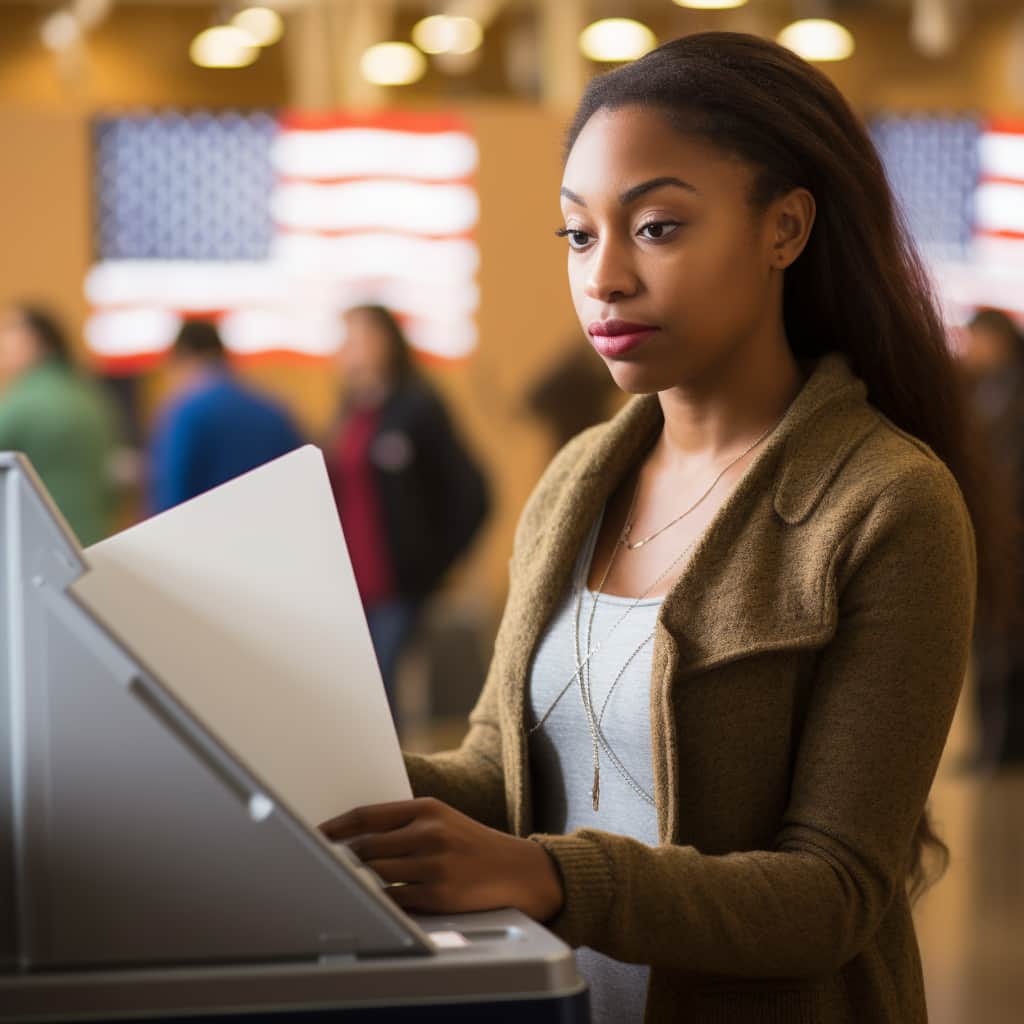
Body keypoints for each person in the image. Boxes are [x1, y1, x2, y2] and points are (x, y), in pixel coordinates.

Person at [320, 34, 998, 1023]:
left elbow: (833, 895)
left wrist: (552, 876)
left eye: (659, 227)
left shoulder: (886, 501)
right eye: (578, 235)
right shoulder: (573, 487)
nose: (604, 279)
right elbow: (495, 771)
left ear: (784, 229)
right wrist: (306, 761)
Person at [323, 304, 489, 709]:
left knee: (384, 693)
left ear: (387, 343)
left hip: (400, 585)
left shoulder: (417, 408)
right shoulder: (347, 416)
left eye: (359, 339)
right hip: (352, 584)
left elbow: (473, 493)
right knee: (356, 696)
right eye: (346, 341)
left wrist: (436, 564)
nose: (350, 351)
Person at [148, 320, 303, 514]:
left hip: (206, 535)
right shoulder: (273, 408)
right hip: (270, 528)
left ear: (184, 358)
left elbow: (170, 491)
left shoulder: (186, 413)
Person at [962, 307, 1024, 766]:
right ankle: (993, 743)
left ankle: (1002, 746)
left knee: (1005, 644)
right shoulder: (983, 390)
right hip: (992, 533)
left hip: (1011, 537)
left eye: (976, 339)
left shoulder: (1014, 396)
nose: (970, 349)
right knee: (989, 642)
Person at [0, 304, 118, 546]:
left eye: (9, 329)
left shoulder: (24, 401)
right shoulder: (88, 394)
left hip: (38, 542)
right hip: (92, 536)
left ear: (36, 339)